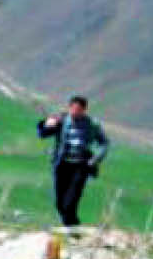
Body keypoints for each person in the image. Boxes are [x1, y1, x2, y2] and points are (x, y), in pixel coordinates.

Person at [37, 95, 111, 227]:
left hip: (81, 166)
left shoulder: (91, 124)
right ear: (69, 108)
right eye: (73, 109)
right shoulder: (61, 121)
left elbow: (104, 143)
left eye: (78, 110)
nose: (75, 112)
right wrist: (46, 124)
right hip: (62, 165)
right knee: (60, 202)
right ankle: (73, 226)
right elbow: (43, 134)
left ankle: (72, 229)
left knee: (71, 200)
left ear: (84, 110)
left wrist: (95, 159)